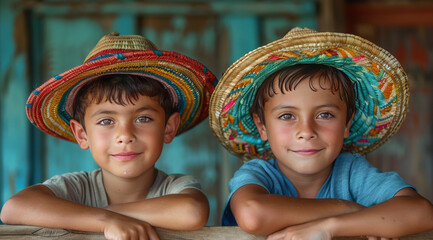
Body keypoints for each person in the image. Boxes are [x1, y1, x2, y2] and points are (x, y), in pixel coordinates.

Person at [209, 27, 433, 239]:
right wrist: (347, 209)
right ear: (262, 127)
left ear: (347, 123)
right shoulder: (259, 174)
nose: (306, 132)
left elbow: (422, 212)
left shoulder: (351, 172)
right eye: (287, 116)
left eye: (325, 115)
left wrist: (329, 227)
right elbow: (253, 215)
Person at [1, 32, 217, 240]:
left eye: (143, 119)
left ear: (169, 128)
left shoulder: (174, 187)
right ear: (82, 134)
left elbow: (192, 211)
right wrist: (106, 220)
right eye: (106, 121)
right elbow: (13, 209)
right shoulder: (77, 188)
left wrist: (107, 214)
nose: (125, 136)